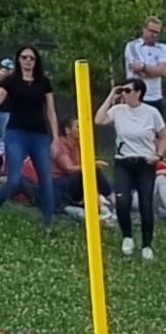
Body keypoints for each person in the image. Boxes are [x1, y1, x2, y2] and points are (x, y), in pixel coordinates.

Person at [94, 78, 166, 261]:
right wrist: (112, 95)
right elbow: (99, 119)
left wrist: (158, 156)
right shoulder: (118, 110)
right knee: (122, 200)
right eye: (123, 90)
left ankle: (147, 244)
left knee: (145, 204)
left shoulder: (151, 113)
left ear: (138, 93)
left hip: (145, 162)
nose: (124, 94)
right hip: (124, 161)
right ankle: (127, 236)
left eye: (128, 91)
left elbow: (164, 136)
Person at [0, 46, 58, 229]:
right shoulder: (10, 81)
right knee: (14, 179)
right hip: (15, 133)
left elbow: (50, 111)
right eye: (24, 57)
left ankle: (48, 224)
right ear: (18, 60)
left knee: (46, 180)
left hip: (39, 134)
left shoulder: (43, 82)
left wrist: (55, 137)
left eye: (31, 58)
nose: (27, 61)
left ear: (36, 61)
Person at [51, 117, 116, 220]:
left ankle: (105, 201)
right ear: (67, 130)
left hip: (75, 182)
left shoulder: (80, 144)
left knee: (91, 171)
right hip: (60, 185)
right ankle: (110, 198)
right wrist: (92, 165)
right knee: (91, 169)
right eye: (78, 127)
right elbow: (69, 168)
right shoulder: (60, 144)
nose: (81, 129)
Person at [124, 17, 166, 114]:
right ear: (144, 29)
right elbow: (137, 69)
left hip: (156, 98)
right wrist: (155, 70)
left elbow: (163, 71)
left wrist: (144, 67)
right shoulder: (132, 46)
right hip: (137, 98)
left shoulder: (163, 48)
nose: (154, 35)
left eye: (157, 32)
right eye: (151, 31)